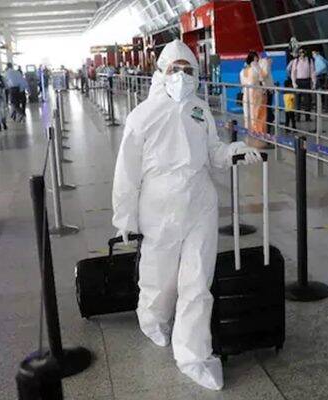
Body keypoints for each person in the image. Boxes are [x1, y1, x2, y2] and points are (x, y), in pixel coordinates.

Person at [112, 39, 262, 391]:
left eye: (187, 69)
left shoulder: (199, 109)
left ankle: (194, 354)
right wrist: (124, 218)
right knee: (159, 276)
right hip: (158, 207)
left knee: (197, 282)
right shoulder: (142, 116)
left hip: (199, 202)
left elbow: (212, 152)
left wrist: (235, 151)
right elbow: (126, 172)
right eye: (174, 69)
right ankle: (153, 320)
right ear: (161, 73)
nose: (181, 76)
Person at [239, 51, 267, 135]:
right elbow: (262, 77)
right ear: (254, 59)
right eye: (257, 58)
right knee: (255, 112)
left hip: (245, 93)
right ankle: (255, 131)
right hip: (255, 92)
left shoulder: (242, 71)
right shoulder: (255, 68)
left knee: (246, 112)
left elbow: (242, 83)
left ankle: (248, 129)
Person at [290, 48, 316, 122]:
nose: (302, 54)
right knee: (297, 101)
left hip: (306, 81)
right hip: (298, 81)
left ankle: (307, 117)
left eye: (303, 52)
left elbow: (312, 72)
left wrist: (314, 83)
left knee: (307, 101)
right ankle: (297, 117)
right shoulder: (296, 61)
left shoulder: (309, 61)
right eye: (300, 52)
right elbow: (293, 73)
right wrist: (294, 83)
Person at [258, 56, 275, 134]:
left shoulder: (263, 62)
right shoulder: (262, 63)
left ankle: (268, 124)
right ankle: (269, 122)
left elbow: (264, 74)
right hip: (265, 89)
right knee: (266, 107)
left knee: (267, 107)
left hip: (267, 89)